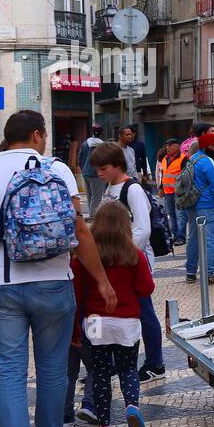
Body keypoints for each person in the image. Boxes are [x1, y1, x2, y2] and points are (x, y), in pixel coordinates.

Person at [0, 111, 118, 427]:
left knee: (10, 373)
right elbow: (80, 231)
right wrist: (102, 280)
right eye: (43, 136)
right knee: (51, 369)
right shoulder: (57, 171)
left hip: (2, 286)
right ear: (35, 135)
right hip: (54, 284)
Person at [73, 202, 151, 427]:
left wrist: (75, 327)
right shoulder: (134, 255)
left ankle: (104, 426)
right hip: (126, 321)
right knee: (128, 368)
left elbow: (76, 292)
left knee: (100, 372)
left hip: (96, 321)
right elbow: (146, 288)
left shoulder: (86, 257)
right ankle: (132, 407)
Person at [90, 142, 165, 383]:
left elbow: (142, 229)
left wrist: (123, 255)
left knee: (144, 311)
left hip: (131, 262)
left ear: (118, 165)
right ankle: (109, 362)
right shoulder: (109, 187)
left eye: (104, 168)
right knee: (111, 310)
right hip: (113, 262)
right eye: (98, 169)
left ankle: (155, 362)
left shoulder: (132, 189)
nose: (99, 173)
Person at [182, 133, 214, 285]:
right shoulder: (208, 161)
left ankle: (190, 272)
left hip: (192, 205)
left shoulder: (193, 159)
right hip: (209, 206)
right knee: (211, 240)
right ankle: (208, 273)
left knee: (193, 239)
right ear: (205, 146)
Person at [158, 138, 186, 245]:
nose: (167, 148)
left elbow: (186, 176)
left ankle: (181, 237)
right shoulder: (165, 159)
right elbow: (163, 175)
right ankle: (175, 235)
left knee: (180, 215)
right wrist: (161, 188)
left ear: (178, 147)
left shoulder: (183, 159)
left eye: (170, 145)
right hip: (167, 192)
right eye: (167, 145)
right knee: (171, 215)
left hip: (179, 192)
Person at [78, 125, 106, 212]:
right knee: (96, 197)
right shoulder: (103, 145)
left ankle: (91, 215)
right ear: (101, 133)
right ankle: (92, 216)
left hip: (85, 173)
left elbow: (80, 158)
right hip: (96, 174)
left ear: (92, 132)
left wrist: (83, 169)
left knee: (90, 197)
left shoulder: (85, 143)